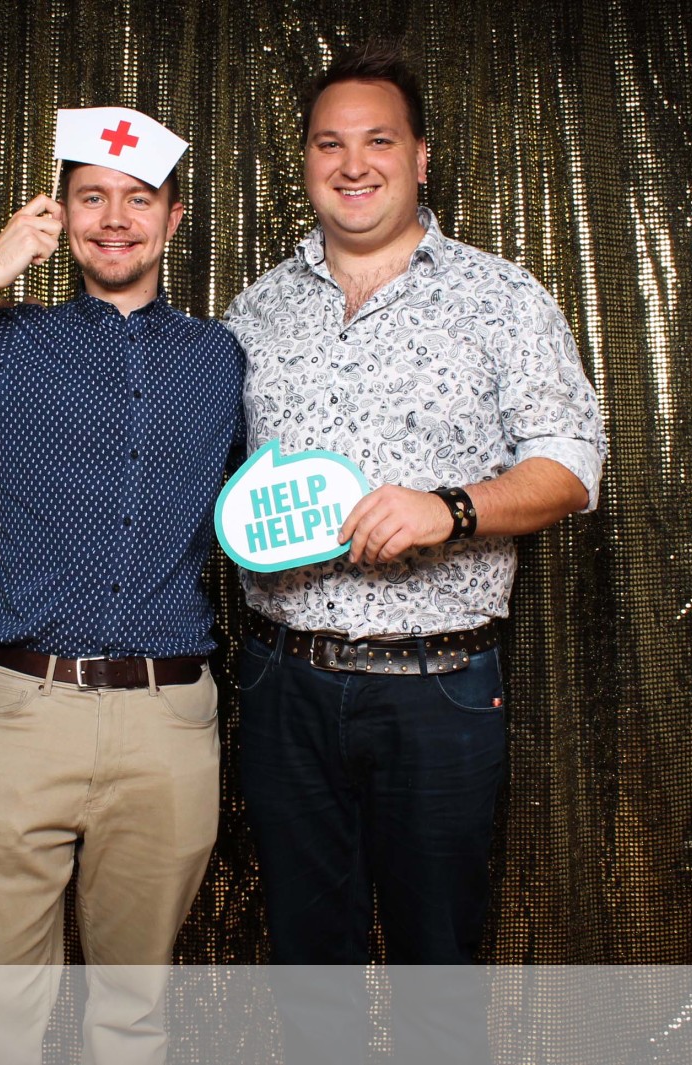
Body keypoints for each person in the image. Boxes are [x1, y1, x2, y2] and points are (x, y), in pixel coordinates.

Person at [224, 41, 608, 1063]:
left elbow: (572, 466)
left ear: (421, 156)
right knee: (307, 967)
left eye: (378, 141)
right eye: (330, 144)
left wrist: (453, 509)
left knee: (437, 965)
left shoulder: (501, 296)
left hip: (438, 688)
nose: (353, 164)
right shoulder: (256, 309)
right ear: (306, 161)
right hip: (283, 682)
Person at [0, 113, 242, 1065]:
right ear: (58, 214)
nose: (115, 219)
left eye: (138, 199)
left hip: (169, 719)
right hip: (26, 710)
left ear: (175, 218)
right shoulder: (11, 341)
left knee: (134, 1012)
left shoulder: (222, 358)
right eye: (91, 197)